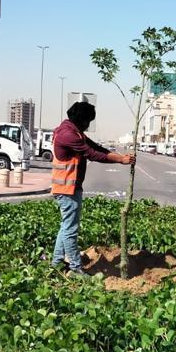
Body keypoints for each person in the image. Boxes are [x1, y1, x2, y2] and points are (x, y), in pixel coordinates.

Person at [51, 101, 135, 276]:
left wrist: (120, 157)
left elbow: (96, 147)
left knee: (65, 227)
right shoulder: (68, 135)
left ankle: (57, 263)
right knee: (70, 230)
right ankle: (75, 268)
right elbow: (92, 154)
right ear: (81, 120)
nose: (88, 125)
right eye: (88, 121)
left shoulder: (74, 131)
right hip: (67, 189)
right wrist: (121, 160)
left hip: (69, 188)